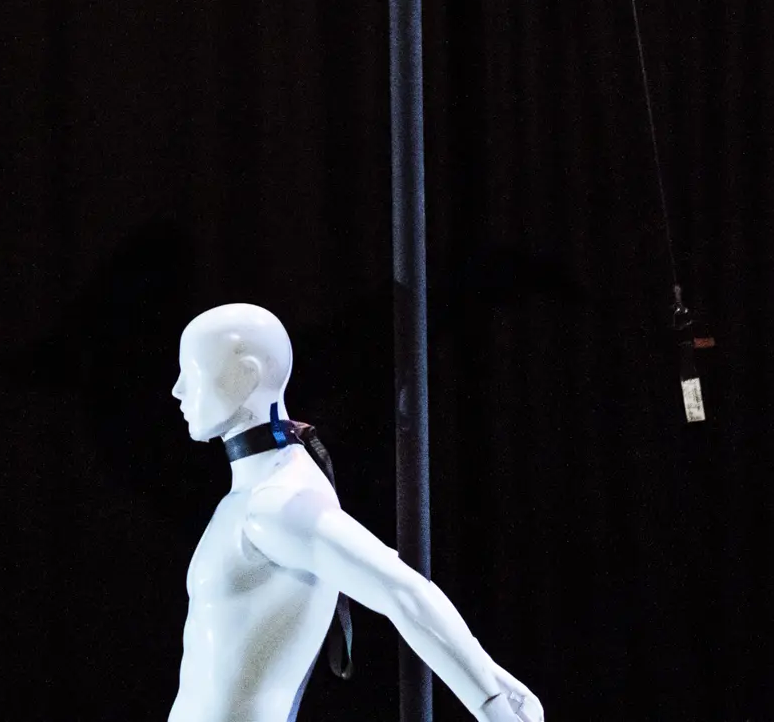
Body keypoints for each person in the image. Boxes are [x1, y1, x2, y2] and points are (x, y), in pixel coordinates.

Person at [168, 303, 544, 722]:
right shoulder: (258, 494)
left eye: (192, 371)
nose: (178, 390)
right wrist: (487, 676)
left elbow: (402, 591)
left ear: (247, 373)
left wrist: (491, 703)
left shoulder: (275, 503)